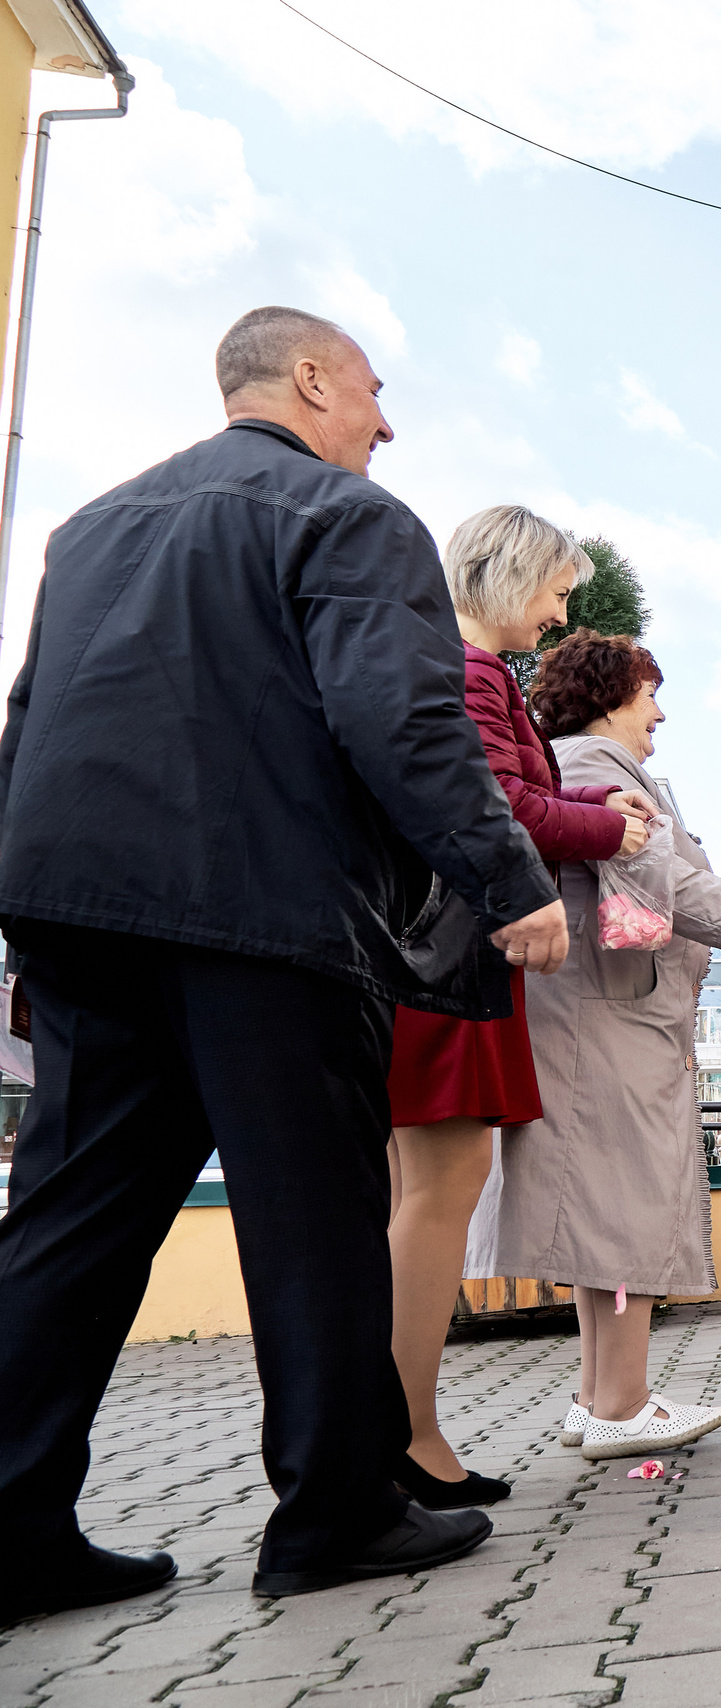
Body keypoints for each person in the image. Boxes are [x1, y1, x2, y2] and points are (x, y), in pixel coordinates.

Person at [0, 306, 564, 1611]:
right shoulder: (351, 518)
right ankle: (335, 1512)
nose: (385, 421)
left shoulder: (91, 529)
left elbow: (28, 720)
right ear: (310, 379)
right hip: (264, 911)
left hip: (78, 912)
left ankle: (12, 1521)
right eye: (372, 391)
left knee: (71, 1219)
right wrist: (508, 877)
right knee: (313, 1216)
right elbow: (404, 719)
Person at [467, 631, 721, 1460]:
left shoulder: (592, 768)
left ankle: (598, 1396)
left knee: (604, 1209)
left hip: (614, 1014)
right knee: (624, 1208)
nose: (660, 711)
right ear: (611, 694)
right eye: (649, 692)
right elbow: (669, 886)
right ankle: (620, 1400)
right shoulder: (591, 768)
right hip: (605, 1020)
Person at [384, 507, 652, 1508]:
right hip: (455, 960)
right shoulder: (471, 674)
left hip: (432, 957)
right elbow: (495, 808)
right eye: (553, 591)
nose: (555, 614)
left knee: (421, 1197)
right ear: (507, 576)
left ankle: (401, 1424)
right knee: (436, 1197)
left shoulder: (457, 671)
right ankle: (408, 1432)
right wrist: (605, 828)